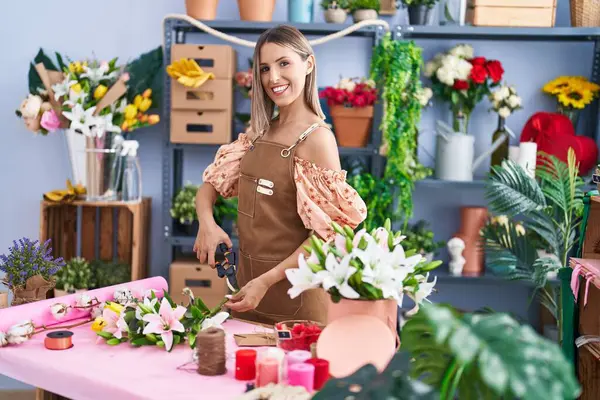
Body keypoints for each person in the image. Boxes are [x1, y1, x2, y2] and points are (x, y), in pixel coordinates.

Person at [193, 24, 367, 326]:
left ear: (308, 64)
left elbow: (329, 236)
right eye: (264, 68)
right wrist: (207, 224)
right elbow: (210, 185)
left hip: (297, 305)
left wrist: (267, 280)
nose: (273, 78)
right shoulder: (259, 133)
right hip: (247, 294)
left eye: (283, 63)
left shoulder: (317, 139)